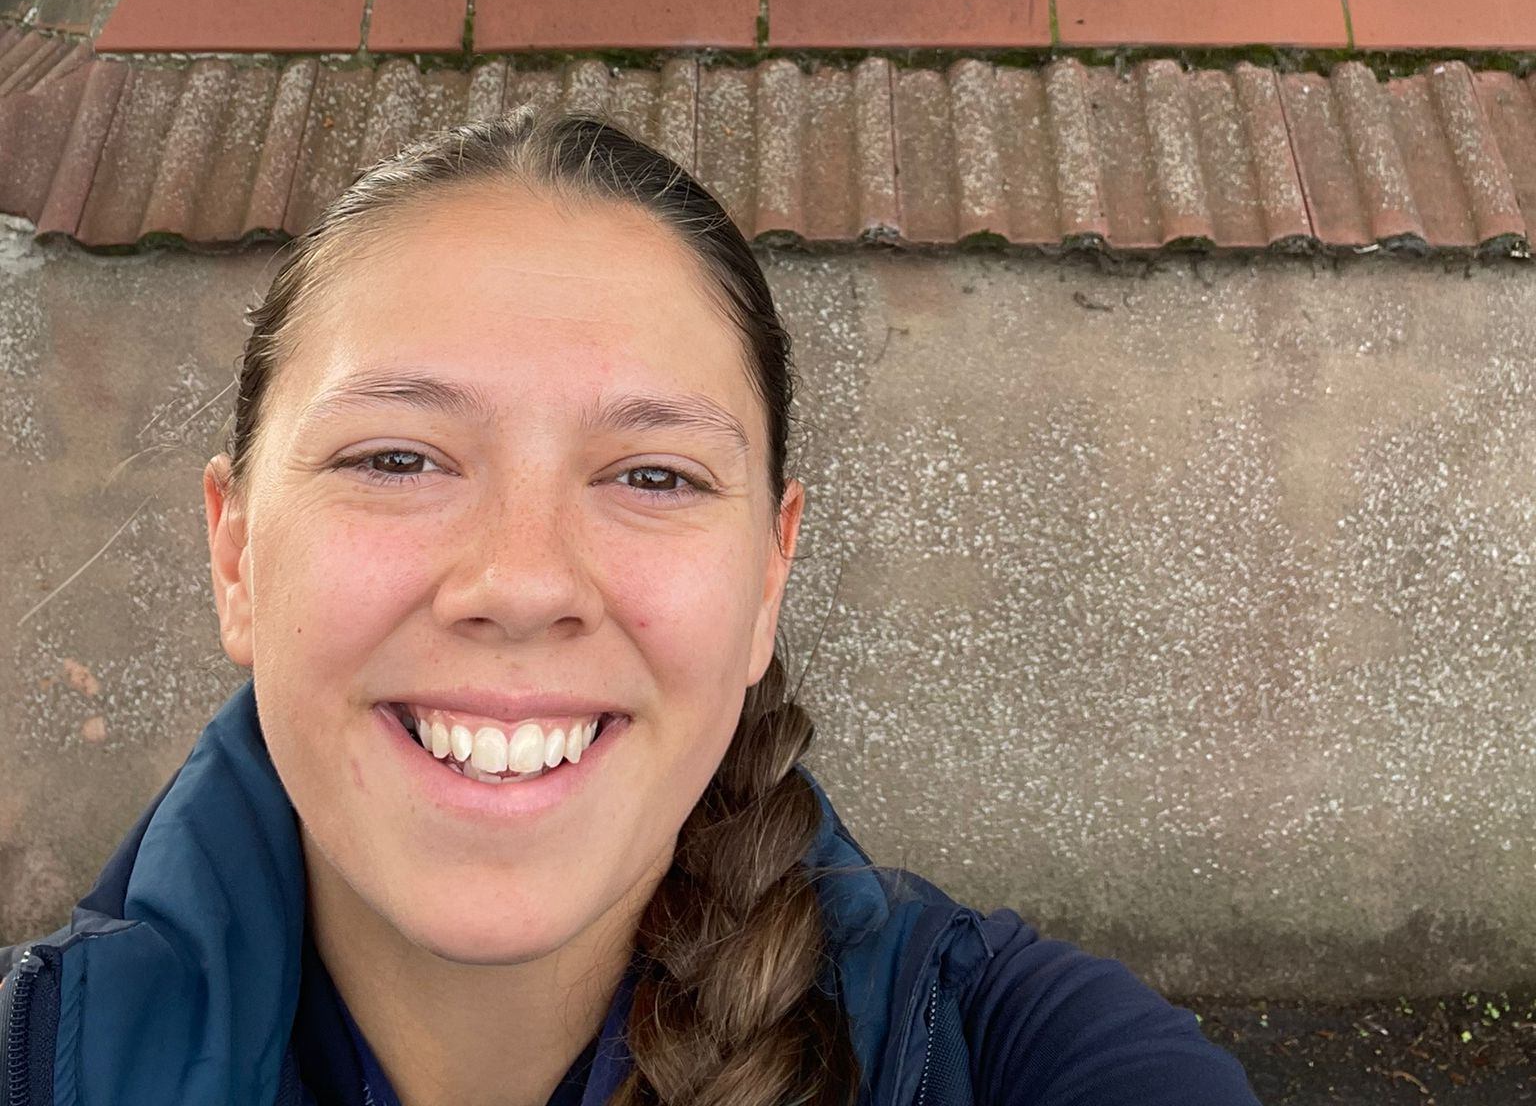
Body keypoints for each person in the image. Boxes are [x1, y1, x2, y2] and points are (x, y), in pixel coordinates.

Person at [0, 113, 1260, 1106]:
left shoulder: (1013, 1057)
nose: (522, 580)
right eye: (396, 457)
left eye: (653, 475)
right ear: (233, 552)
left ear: (769, 574)